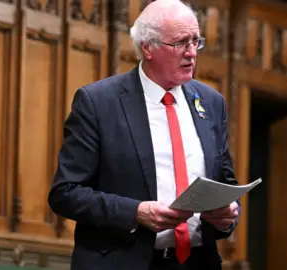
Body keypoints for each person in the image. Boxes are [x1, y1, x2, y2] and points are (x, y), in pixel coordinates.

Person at [48, 0, 240, 269]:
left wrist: (227, 216)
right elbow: (65, 193)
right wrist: (135, 212)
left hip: (197, 261)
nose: (192, 53)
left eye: (196, 41)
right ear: (148, 47)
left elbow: (225, 181)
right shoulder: (99, 103)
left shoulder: (210, 102)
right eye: (181, 43)